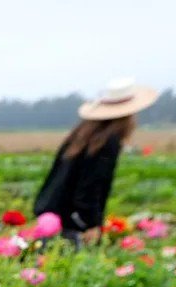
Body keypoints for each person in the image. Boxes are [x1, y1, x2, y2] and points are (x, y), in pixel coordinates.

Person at [33, 79, 159, 246]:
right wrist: (91, 224)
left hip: (53, 215)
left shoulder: (81, 135)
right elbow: (90, 187)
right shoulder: (107, 142)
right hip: (74, 222)